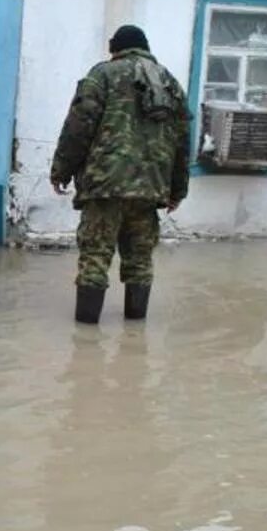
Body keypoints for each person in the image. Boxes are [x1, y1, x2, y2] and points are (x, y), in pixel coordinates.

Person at [50, 25, 190, 324]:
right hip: (150, 188)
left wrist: (61, 169)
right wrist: (177, 189)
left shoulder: (102, 75)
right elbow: (182, 140)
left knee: (95, 258)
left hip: (106, 185)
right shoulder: (171, 83)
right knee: (140, 260)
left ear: (115, 49)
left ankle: (86, 341)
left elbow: (79, 126)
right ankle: (135, 331)